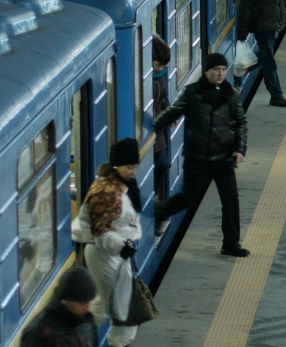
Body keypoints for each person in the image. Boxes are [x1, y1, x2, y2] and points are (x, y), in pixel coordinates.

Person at [152, 52, 250, 257]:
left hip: (223, 158)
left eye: (223, 69)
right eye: (216, 69)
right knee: (188, 198)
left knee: (231, 202)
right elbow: (172, 112)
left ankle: (231, 244)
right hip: (197, 159)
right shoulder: (192, 93)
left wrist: (240, 149)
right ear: (206, 72)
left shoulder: (231, 94)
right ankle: (157, 212)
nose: (220, 73)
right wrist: (153, 129)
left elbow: (241, 122)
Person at [73, 138, 143, 347]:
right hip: (106, 254)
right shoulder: (106, 191)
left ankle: (75, 338)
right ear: (116, 166)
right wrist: (122, 247)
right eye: (129, 167)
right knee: (122, 309)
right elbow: (100, 230)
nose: (133, 172)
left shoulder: (119, 185)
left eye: (135, 166)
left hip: (114, 253)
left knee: (105, 305)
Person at [20, 267, 98, 346]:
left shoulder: (85, 321)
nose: (87, 308)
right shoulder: (41, 335)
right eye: (82, 303)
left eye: (89, 302)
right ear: (66, 299)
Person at [150, 37, 172, 204]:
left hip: (157, 129)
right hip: (148, 126)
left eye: (163, 66)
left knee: (163, 164)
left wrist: (168, 111)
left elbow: (162, 99)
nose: (159, 69)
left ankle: (154, 195)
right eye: (157, 64)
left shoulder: (159, 77)